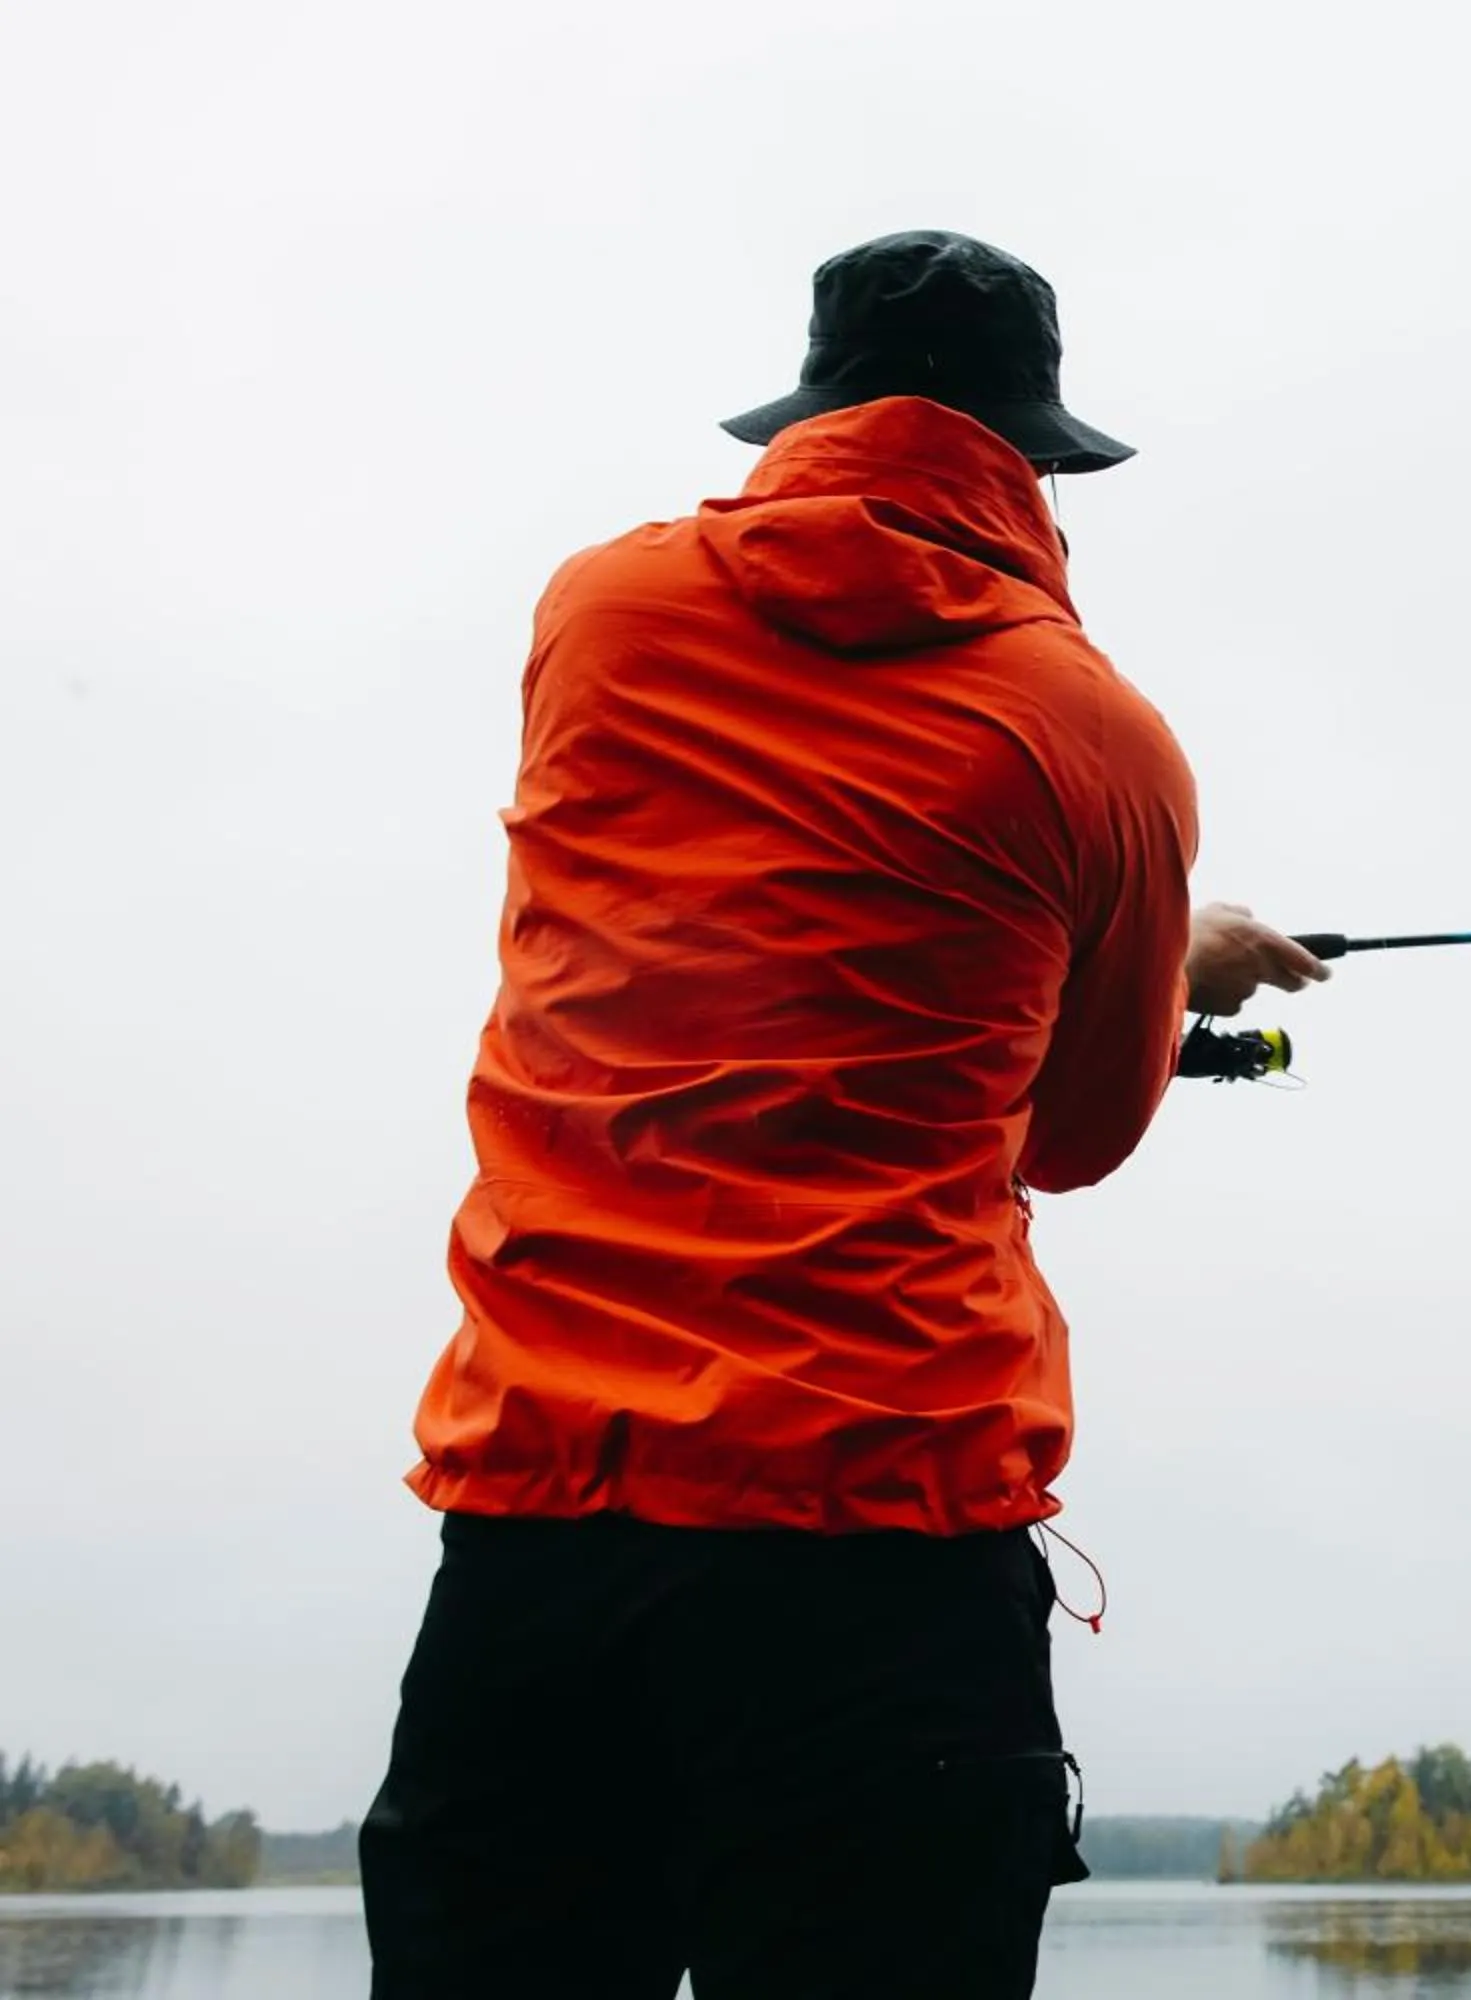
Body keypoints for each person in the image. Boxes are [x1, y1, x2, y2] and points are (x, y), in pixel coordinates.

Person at [359, 230, 1326, 1998]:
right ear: (1037, 462)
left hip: (541, 1535)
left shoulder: (598, 612)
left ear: (808, 412)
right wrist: (1168, 953)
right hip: (878, 1565)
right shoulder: (1104, 742)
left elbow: (761, 915)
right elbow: (1073, 1135)